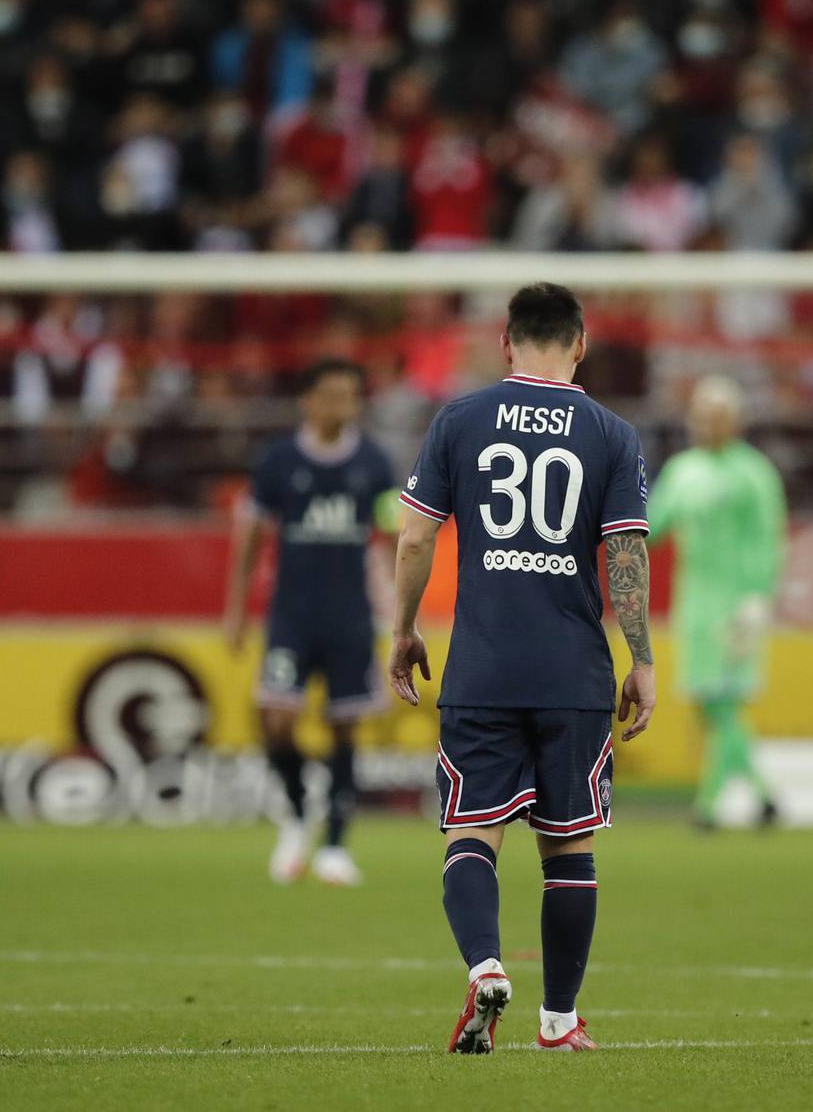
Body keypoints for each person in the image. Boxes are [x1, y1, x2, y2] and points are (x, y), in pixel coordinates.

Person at [388, 282, 654, 1055]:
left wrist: (403, 631)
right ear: (582, 343)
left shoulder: (460, 420)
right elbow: (626, 554)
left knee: (473, 829)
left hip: (483, 667)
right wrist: (641, 660)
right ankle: (560, 1020)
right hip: (573, 670)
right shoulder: (611, 433)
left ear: (505, 343)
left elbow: (413, 540)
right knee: (568, 844)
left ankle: (486, 965)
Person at [224, 358, 398, 887]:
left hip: (349, 616)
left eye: (350, 396)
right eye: (331, 395)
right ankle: (299, 813)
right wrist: (234, 609)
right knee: (274, 721)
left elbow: (393, 539)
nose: (341, 406)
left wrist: (400, 615)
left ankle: (336, 845)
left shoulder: (374, 463)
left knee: (344, 725)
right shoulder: (278, 461)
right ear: (308, 400)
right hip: (292, 615)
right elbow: (251, 538)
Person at [647, 376, 785, 828]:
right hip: (696, 605)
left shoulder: (754, 473)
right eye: (701, 416)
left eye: (717, 416)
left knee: (723, 703)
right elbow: (654, 526)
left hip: (737, 604)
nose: (707, 424)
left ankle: (708, 807)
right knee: (711, 704)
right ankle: (764, 797)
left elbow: (768, 540)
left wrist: (757, 597)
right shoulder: (682, 470)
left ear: (736, 420)